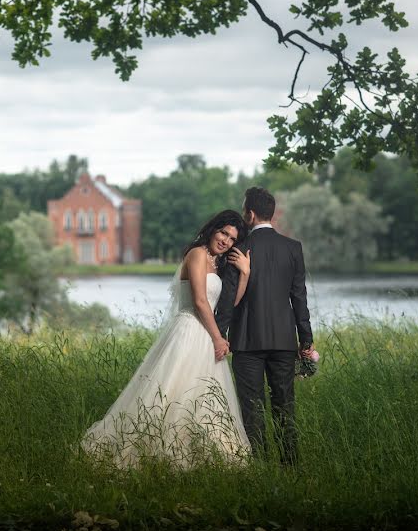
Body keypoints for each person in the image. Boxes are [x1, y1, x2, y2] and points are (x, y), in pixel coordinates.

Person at [82, 210, 252, 468]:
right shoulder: (196, 254)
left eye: (231, 238)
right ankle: (160, 449)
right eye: (223, 233)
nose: (226, 241)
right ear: (213, 229)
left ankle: (200, 451)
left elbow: (230, 304)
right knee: (172, 390)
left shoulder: (219, 264)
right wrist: (218, 338)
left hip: (207, 335)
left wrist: (246, 274)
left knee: (202, 396)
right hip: (189, 331)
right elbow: (199, 300)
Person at [214, 187, 314, 466]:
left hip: (247, 341)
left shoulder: (239, 249)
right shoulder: (293, 248)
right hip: (284, 340)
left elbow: (228, 301)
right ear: (272, 213)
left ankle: (260, 465)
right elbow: (299, 297)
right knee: (285, 406)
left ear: (250, 213)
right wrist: (306, 340)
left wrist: (218, 336)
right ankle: (290, 465)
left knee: (252, 408)